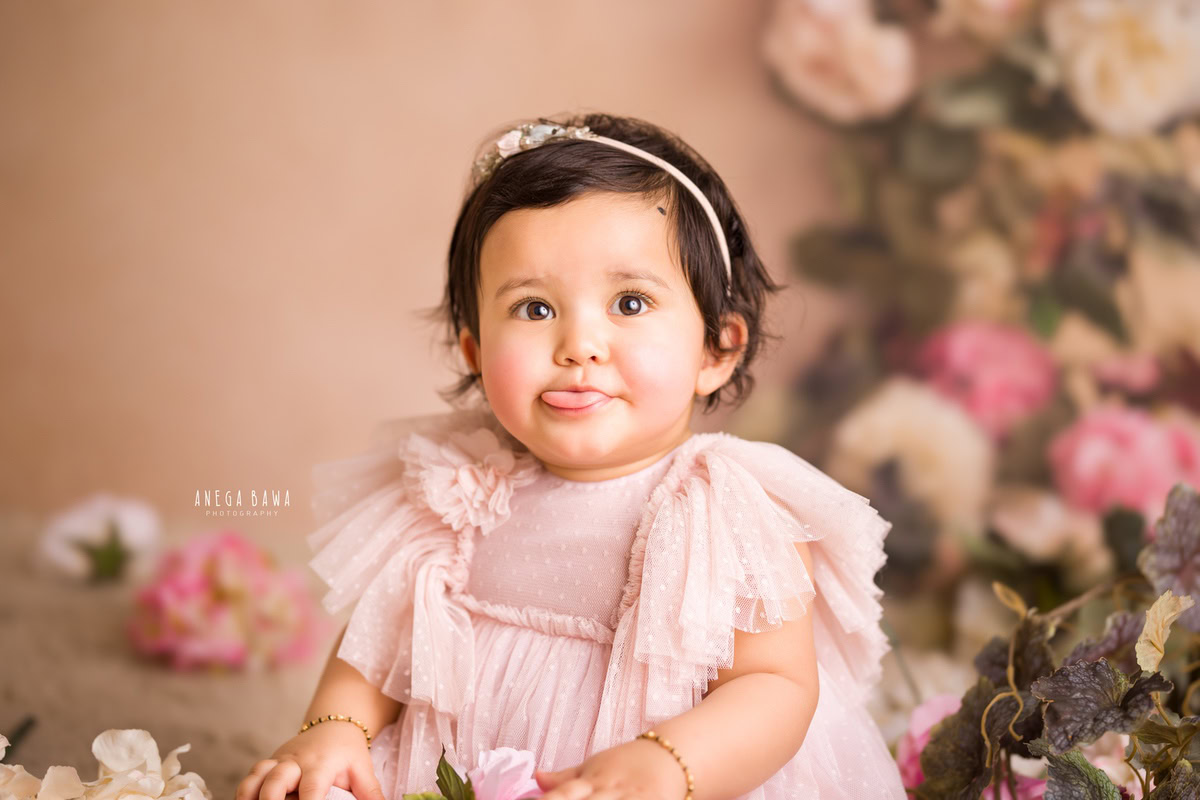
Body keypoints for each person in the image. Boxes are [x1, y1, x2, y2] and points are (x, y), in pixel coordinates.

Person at [235, 112, 906, 800]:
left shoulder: (723, 507)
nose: (579, 344)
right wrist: (337, 725)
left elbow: (774, 686)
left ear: (717, 348)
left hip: (679, 776)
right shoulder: (460, 488)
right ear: (473, 350)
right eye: (533, 309)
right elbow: (384, 641)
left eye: (630, 301)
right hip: (456, 772)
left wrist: (671, 763)